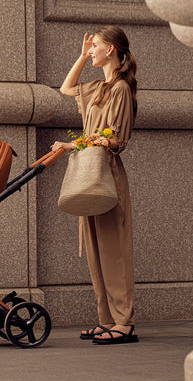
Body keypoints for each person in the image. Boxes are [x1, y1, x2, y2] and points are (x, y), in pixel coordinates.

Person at [52, 26, 138, 345]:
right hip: (90, 174)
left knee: (113, 251)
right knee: (96, 252)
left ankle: (124, 322)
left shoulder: (120, 90)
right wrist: (81, 53)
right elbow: (66, 88)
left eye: (96, 46)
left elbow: (115, 138)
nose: (91, 51)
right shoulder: (98, 88)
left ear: (111, 49)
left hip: (107, 174)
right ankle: (107, 320)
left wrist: (71, 146)